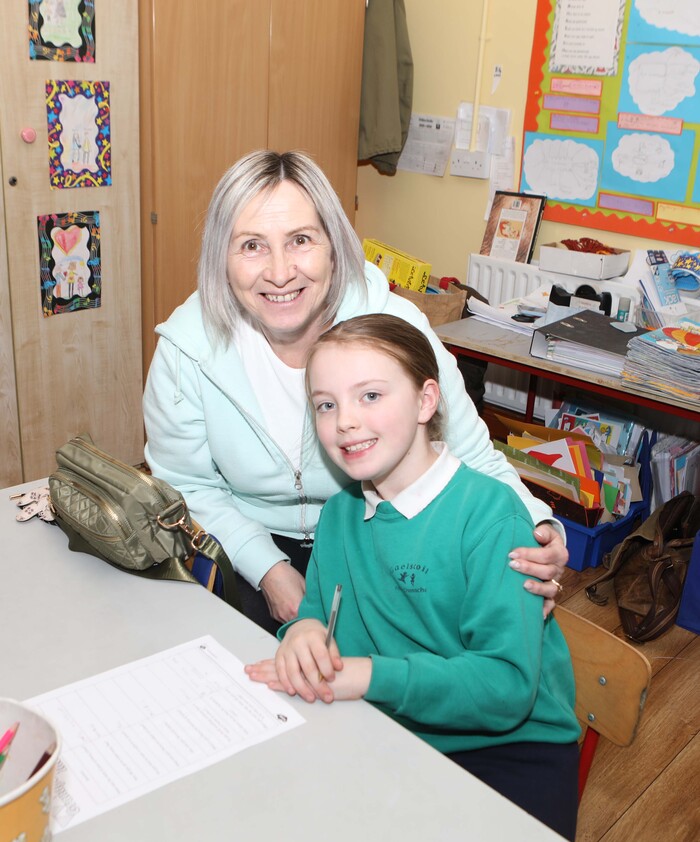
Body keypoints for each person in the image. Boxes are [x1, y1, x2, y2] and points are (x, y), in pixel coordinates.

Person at [143, 149, 568, 635]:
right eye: (252, 245)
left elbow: (472, 455)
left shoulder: (394, 328)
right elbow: (188, 485)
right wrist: (268, 568)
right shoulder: (187, 349)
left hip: (379, 537)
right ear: (222, 256)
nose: (280, 272)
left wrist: (538, 527)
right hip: (244, 541)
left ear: (334, 245)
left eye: (300, 240)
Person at [245, 314, 580, 840]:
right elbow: (318, 613)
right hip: (391, 724)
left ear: (426, 401)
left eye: (370, 396)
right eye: (326, 405)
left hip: (507, 748)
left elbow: (506, 687)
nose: (345, 421)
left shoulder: (491, 516)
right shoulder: (339, 515)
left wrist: (367, 676)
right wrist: (304, 632)